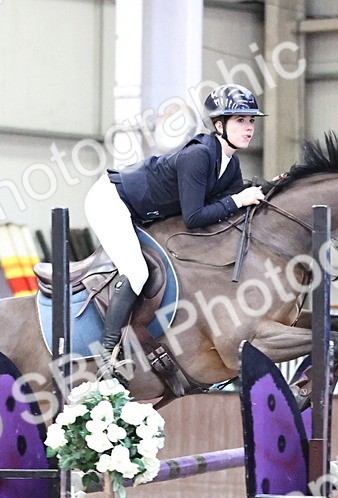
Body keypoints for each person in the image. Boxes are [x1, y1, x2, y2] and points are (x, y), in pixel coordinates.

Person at [83, 83, 267, 373]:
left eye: (251, 121)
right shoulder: (200, 156)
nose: (249, 128)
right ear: (219, 124)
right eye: (240, 120)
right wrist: (238, 199)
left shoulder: (230, 164)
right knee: (137, 271)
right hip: (111, 200)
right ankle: (107, 353)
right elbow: (195, 217)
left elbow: (230, 209)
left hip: (144, 211)